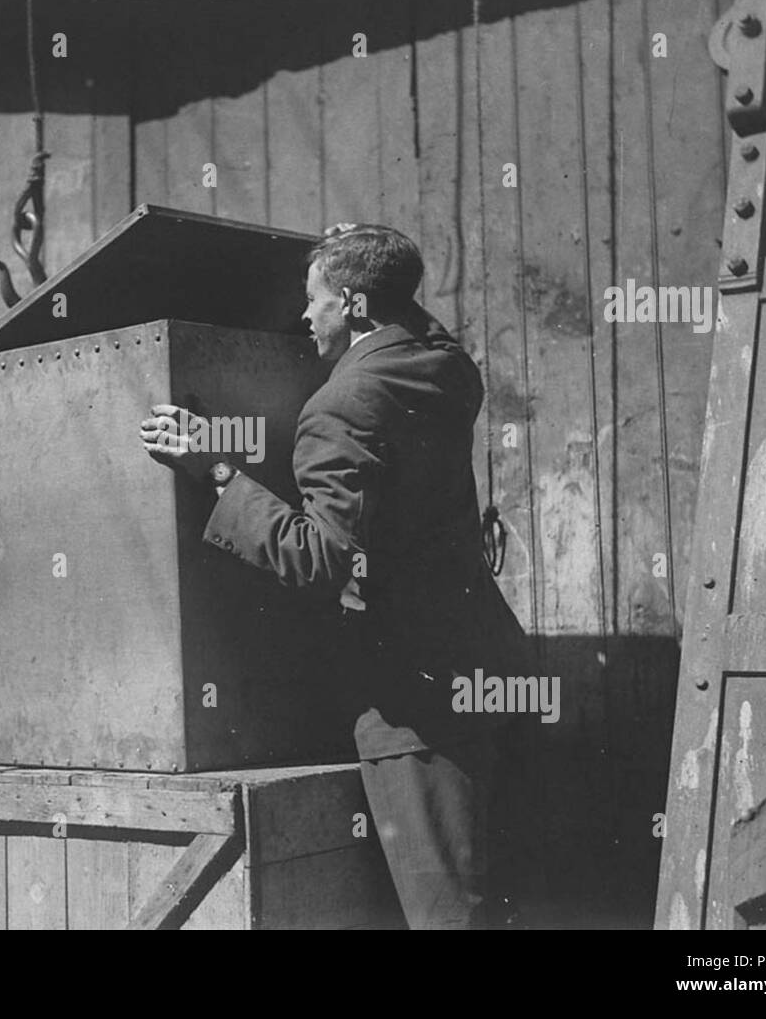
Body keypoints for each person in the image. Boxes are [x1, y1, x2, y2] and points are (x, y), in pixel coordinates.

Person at [139, 223, 532, 929]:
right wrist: (375, 255)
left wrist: (216, 468)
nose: (303, 316)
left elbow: (324, 558)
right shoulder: (448, 369)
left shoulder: (340, 404)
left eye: (315, 299)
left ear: (352, 304)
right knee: (482, 895)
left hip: (417, 705)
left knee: (446, 914)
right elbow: (418, 323)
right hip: (482, 667)